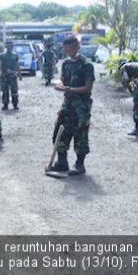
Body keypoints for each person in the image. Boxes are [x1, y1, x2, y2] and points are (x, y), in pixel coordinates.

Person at [46, 36, 95, 178]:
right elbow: (63, 80)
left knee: (81, 136)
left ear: (78, 47)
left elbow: (88, 88)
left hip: (81, 107)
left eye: (71, 49)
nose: (68, 52)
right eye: (66, 50)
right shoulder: (66, 64)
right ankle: (62, 162)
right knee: (59, 133)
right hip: (67, 105)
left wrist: (68, 89)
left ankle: (79, 165)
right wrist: (60, 85)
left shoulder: (86, 65)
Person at [0, 41, 22, 110]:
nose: (10, 47)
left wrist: (19, 74)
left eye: (11, 46)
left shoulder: (15, 55)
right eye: (8, 46)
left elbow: (17, 65)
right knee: (5, 91)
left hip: (13, 75)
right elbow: (0, 65)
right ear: (6, 47)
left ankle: (15, 104)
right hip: (4, 75)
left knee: (14, 91)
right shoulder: (2, 55)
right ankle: (5, 104)